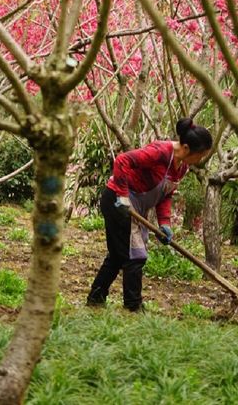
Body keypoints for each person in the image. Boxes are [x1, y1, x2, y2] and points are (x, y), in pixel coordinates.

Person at [86, 117, 213, 312]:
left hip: (134, 206)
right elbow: (122, 160)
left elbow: (165, 194)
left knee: (119, 256)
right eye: (201, 155)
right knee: (135, 256)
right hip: (117, 201)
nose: (201, 160)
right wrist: (122, 195)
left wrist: (165, 223)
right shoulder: (161, 152)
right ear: (187, 148)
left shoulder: (182, 167)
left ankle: (96, 298)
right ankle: (133, 306)